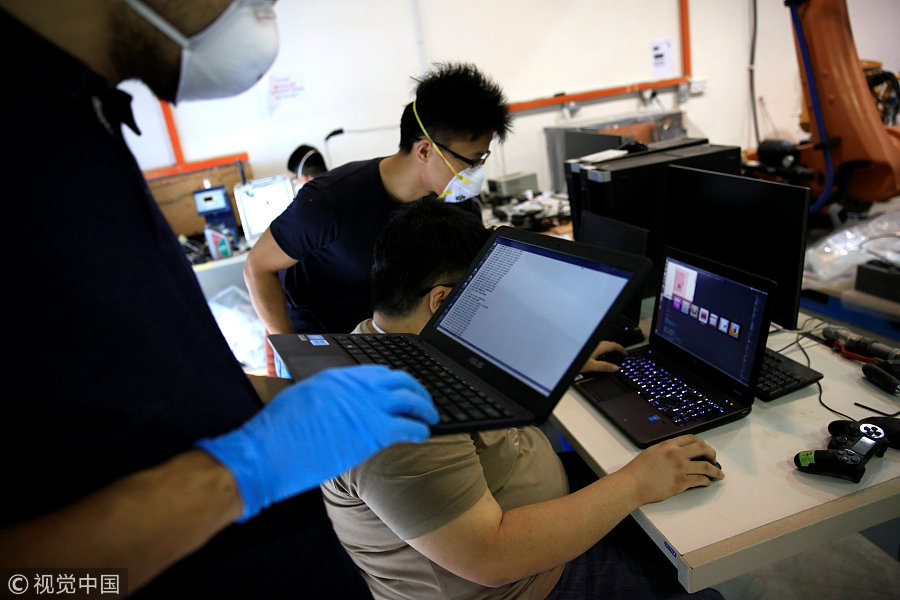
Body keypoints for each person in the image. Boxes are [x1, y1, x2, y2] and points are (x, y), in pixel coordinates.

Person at [0, 1, 438, 598]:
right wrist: (242, 471)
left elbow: (129, 393)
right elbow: (28, 581)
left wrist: (285, 393)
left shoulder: (82, 119)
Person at [321, 198, 726, 600]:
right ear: (442, 301)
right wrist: (636, 483)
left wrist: (558, 360)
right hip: (526, 583)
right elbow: (493, 559)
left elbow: (474, 365)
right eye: (486, 295)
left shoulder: (389, 342)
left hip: (529, 526)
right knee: (704, 589)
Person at [243, 61, 512, 339]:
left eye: (482, 159)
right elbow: (257, 268)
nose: (475, 172)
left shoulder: (458, 207)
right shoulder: (331, 200)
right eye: (471, 161)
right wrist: (291, 349)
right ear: (424, 151)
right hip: (326, 342)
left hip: (398, 340)